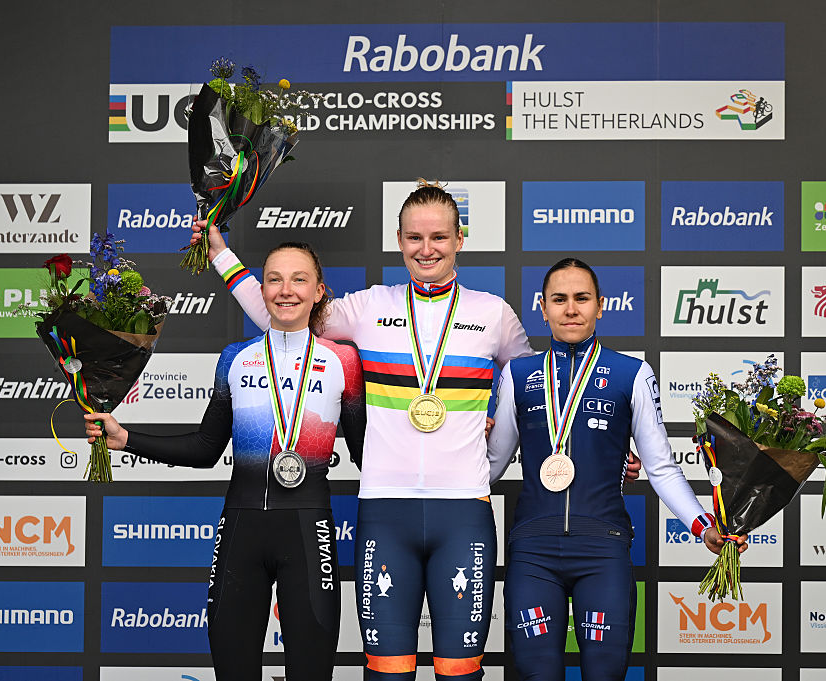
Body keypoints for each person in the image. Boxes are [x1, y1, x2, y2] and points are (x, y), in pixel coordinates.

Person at [192, 180, 533, 680]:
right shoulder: (370, 306)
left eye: (439, 237)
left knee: (460, 671)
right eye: (415, 238)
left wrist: (497, 445)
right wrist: (222, 256)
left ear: (459, 238)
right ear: (399, 241)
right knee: (387, 672)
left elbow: (535, 391)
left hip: (463, 510)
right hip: (384, 508)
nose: (427, 249)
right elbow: (283, 311)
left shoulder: (492, 314)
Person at [83, 242, 366, 681]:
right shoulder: (235, 358)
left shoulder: (342, 361)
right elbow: (204, 448)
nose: (285, 290)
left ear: (318, 292)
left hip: (310, 535)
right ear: (264, 289)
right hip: (241, 530)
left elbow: (369, 454)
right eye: (274, 279)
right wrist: (126, 438)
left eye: (299, 279)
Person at [486, 258, 746, 681]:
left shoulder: (632, 373)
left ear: (600, 305)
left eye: (581, 298)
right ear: (543, 307)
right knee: (537, 674)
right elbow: (493, 465)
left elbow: (660, 467)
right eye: (560, 299)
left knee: (605, 674)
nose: (571, 309)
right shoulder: (519, 374)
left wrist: (703, 526)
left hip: (602, 549)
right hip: (533, 551)